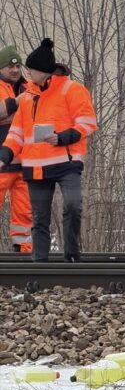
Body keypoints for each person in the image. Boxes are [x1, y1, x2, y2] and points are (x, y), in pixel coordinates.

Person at [0, 39, 97, 262]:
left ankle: (71, 254)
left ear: (43, 71)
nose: (27, 74)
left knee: (73, 206)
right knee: (39, 219)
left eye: (31, 70)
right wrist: (4, 155)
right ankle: (39, 264)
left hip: (67, 162)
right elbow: (16, 134)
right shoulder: (27, 97)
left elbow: (87, 122)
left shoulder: (72, 90)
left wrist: (62, 138)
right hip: (35, 167)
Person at [0, 46, 32, 254]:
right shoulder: (22, 93)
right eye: (10, 66)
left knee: (24, 213)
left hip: (24, 162)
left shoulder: (29, 87)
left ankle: (24, 252)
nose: (14, 70)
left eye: (18, 66)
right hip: (2, 161)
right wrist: (16, 104)